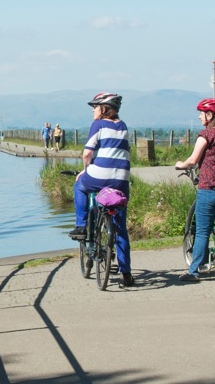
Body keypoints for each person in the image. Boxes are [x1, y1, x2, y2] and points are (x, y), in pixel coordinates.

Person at [68, 93, 134, 287]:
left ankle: (81, 225)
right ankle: (127, 274)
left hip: (99, 176)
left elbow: (88, 152)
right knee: (120, 227)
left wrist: (85, 170)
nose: (93, 110)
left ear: (104, 109)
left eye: (95, 106)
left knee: (80, 186)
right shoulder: (123, 126)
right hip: (122, 180)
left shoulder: (99, 125)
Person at [176, 98, 215, 282]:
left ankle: (194, 270)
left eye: (201, 113)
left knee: (203, 230)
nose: (199, 116)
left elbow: (193, 160)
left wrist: (180, 165)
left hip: (208, 188)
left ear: (210, 115)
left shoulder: (207, 134)